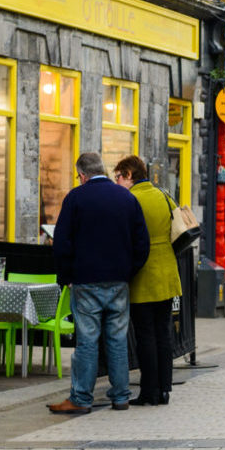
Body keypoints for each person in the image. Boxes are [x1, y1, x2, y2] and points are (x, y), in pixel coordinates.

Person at [47, 153, 149, 415]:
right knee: (117, 339)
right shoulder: (127, 198)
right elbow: (142, 243)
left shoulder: (76, 198)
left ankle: (81, 398)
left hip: (85, 281)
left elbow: (61, 243)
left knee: (88, 341)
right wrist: (128, 270)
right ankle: (121, 396)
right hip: (118, 281)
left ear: (82, 175)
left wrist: (65, 277)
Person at [115, 156, 179, 407]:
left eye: (119, 176)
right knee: (164, 332)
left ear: (130, 174)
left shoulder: (131, 200)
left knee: (145, 335)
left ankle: (149, 390)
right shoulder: (163, 195)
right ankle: (164, 389)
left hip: (144, 274)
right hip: (167, 272)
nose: (117, 182)